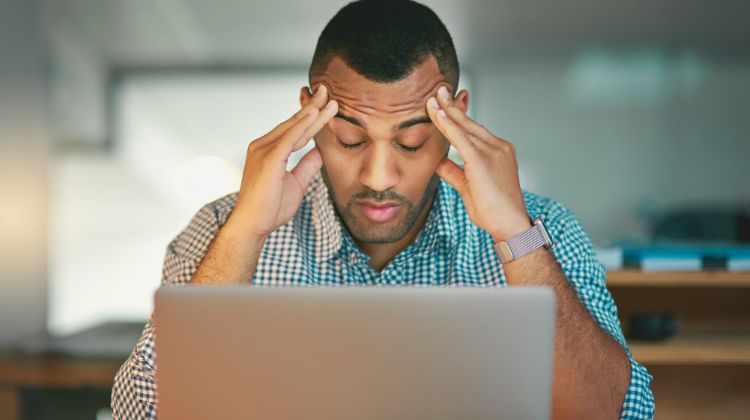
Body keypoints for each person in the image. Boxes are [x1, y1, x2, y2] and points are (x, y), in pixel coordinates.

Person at [111, 1, 654, 418]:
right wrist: (244, 235)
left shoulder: (544, 229)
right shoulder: (219, 230)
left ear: (455, 118)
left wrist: (514, 233)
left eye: (412, 143)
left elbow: (612, 413)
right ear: (310, 116)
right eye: (349, 139)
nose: (378, 177)